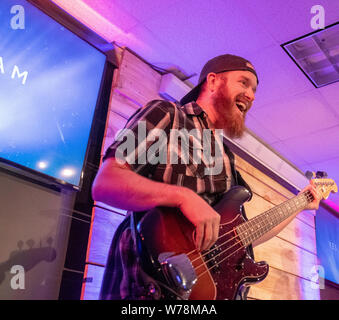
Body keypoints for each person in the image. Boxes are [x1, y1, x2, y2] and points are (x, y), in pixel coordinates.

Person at [92, 54, 320, 300]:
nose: (252, 96)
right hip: (149, 287)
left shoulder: (226, 158)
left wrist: (302, 203)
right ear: (212, 82)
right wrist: (182, 197)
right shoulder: (167, 115)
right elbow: (106, 183)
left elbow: (239, 237)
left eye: (254, 90)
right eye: (244, 83)